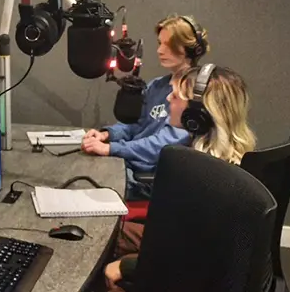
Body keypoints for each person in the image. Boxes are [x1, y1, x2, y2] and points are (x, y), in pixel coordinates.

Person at [103, 64, 258, 292]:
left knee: (100, 263)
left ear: (198, 115)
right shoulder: (233, 161)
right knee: (104, 235)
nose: (168, 98)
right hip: (190, 259)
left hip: (185, 282)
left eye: (175, 96)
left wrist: (125, 267)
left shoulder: (202, 175)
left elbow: (191, 255)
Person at [81, 15, 211, 199]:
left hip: (150, 179)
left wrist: (111, 149)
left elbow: (163, 145)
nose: (160, 50)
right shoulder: (156, 86)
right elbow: (134, 123)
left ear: (191, 49)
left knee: (86, 184)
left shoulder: (194, 97)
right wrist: (106, 134)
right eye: (160, 43)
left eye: (168, 45)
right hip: (127, 163)